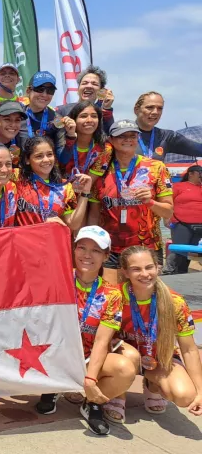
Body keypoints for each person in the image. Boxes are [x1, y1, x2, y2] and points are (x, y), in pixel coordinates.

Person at [35, 227, 136, 435]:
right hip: (55, 355)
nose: (87, 255)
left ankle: (92, 403)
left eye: (96, 250)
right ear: (74, 250)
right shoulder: (57, 280)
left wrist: (90, 379)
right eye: (82, 248)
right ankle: (54, 387)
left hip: (88, 358)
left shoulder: (112, 294)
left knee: (125, 369)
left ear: (106, 256)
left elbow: (101, 341)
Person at [118, 246, 202, 417]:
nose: (145, 274)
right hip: (125, 357)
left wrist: (201, 392)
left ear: (157, 267)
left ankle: (153, 385)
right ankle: (118, 395)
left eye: (149, 267)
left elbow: (189, 349)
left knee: (185, 396)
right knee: (128, 356)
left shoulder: (175, 302)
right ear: (125, 272)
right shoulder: (115, 296)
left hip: (158, 359)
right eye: (136, 269)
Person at [87, 120, 174, 283]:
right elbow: (93, 215)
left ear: (138, 138)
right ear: (111, 140)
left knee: (145, 294)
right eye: (122, 136)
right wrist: (93, 243)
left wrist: (150, 202)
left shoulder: (156, 168)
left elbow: (168, 211)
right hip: (110, 247)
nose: (128, 139)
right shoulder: (101, 171)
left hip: (147, 246)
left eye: (132, 136)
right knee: (113, 294)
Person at [14, 136, 90, 230]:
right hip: (23, 238)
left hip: (51, 238)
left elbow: (73, 224)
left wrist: (85, 193)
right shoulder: (17, 177)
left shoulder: (65, 187)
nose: (46, 160)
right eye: (39, 156)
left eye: (49, 154)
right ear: (27, 160)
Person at [134, 92, 202, 161]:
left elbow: (198, 149)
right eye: (150, 107)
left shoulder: (166, 137)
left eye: (160, 108)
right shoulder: (127, 133)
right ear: (136, 109)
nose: (155, 112)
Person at [20, 71, 74, 155]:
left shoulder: (57, 120)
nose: (44, 94)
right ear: (28, 90)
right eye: (40, 89)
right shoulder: (17, 115)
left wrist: (71, 136)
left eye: (50, 90)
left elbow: (63, 158)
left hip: (45, 163)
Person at [57, 101, 109, 180]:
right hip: (62, 186)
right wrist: (71, 136)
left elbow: (90, 181)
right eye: (83, 116)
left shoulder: (105, 148)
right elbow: (61, 162)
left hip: (87, 186)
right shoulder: (62, 142)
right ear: (73, 120)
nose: (89, 120)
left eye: (94, 116)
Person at [55, 65, 115, 134]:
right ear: (78, 89)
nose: (89, 86)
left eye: (94, 84)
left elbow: (110, 135)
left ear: (101, 91)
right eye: (84, 83)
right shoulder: (61, 111)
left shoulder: (104, 113)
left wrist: (107, 108)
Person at [165, 165, 202, 274]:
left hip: (200, 224)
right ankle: (171, 271)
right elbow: (167, 202)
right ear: (191, 174)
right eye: (200, 172)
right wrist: (166, 217)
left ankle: (182, 272)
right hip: (181, 222)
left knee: (192, 249)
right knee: (179, 249)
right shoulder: (178, 186)